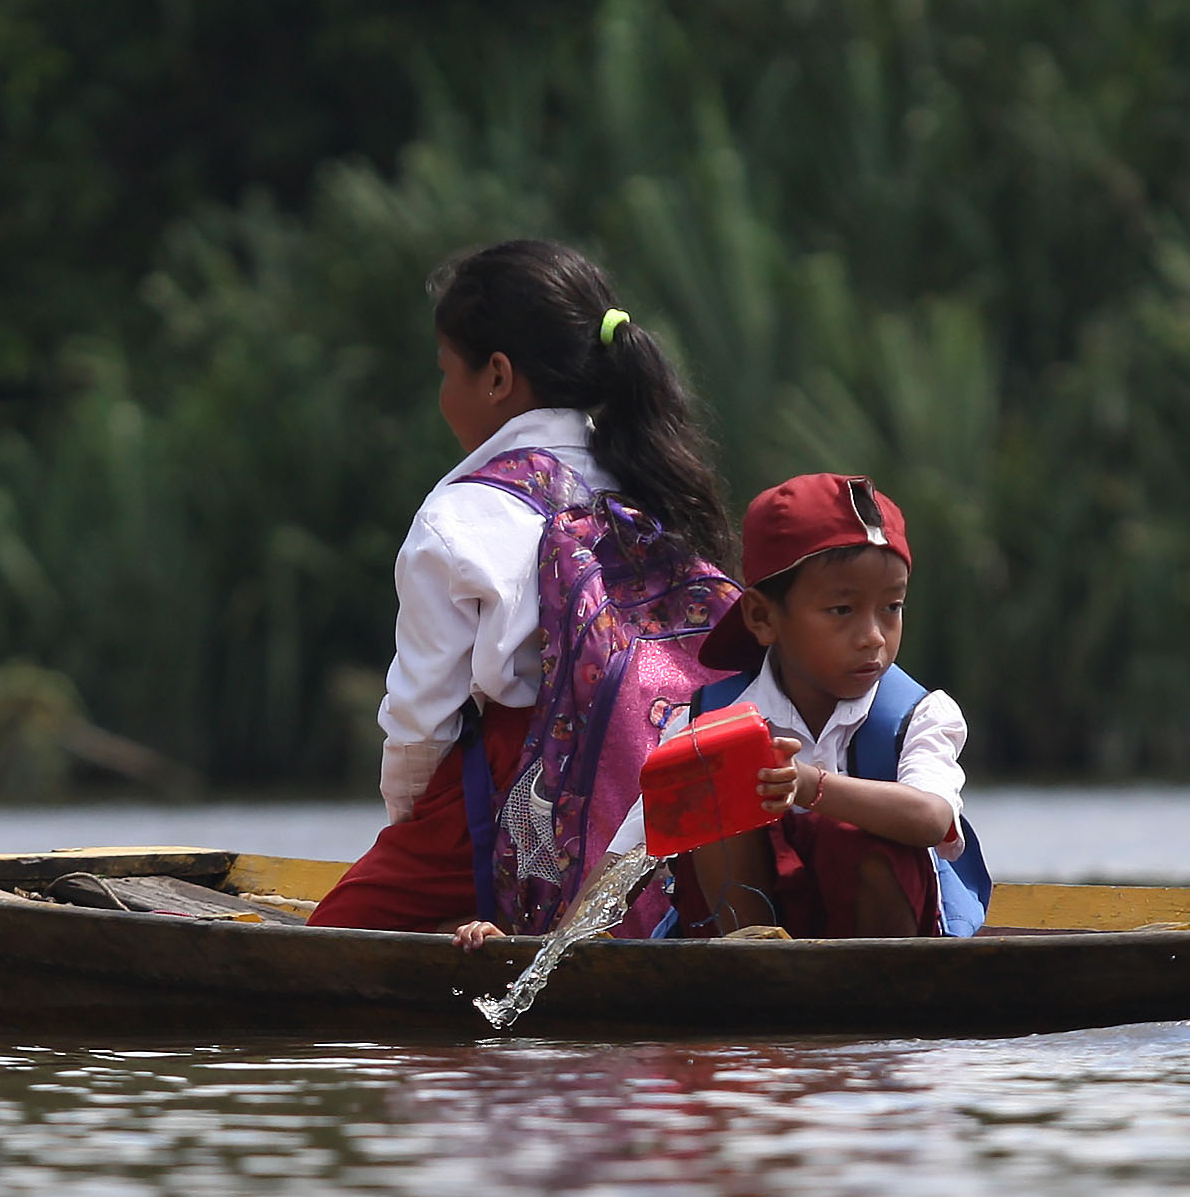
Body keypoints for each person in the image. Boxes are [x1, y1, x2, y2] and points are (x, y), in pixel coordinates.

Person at [310, 241, 736, 944]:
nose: (443, 393)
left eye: (447, 370)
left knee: (326, 947)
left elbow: (422, 728)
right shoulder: (652, 473)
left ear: (499, 377)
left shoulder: (458, 520)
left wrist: (409, 841)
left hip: (516, 792)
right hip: (677, 777)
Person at [625, 472, 991, 939]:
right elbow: (630, 857)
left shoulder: (921, 716)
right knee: (715, 786)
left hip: (888, 957)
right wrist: (549, 950)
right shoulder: (706, 721)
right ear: (762, 617)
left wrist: (810, 786)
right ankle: (757, 976)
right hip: (751, 958)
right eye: (842, 610)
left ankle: (876, 1000)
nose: (874, 637)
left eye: (892, 608)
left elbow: (932, 818)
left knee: (859, 840)